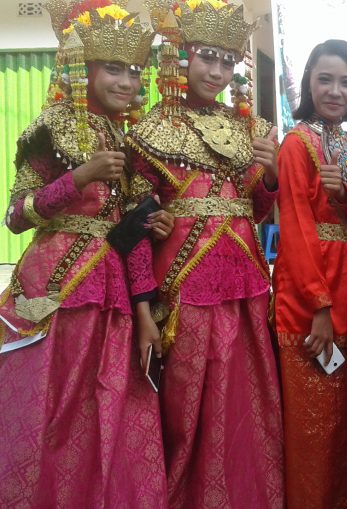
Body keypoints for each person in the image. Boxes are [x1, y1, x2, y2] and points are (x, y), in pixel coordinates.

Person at [0, 1, 170, 506]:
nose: (127, 82)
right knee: (51, 410)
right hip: (53, 289)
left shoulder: (128, 140)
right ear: (83, 67)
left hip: (113, 292)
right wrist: (79, 177)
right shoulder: (49, 127)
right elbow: (16, 215)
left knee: (108, 408)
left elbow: (128, 235)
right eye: (114, 68)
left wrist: (145, 311)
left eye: (134, 71)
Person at [125, 1, 283, 507]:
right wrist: (142, 302)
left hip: (245, 280)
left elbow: (255, 207)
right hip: (183, 283)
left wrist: (272, 175)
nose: (216, 72)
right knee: (185, 399)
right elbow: (133, 225)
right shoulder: (149, 130)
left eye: (226, 61)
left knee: (248, 395)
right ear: (181, 57)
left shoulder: (247, 127)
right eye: (206, 57)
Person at [273, 39, 347, 509]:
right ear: (308, 84)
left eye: (346, 82)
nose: (336, 91)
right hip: (309, 298)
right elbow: (296, 227)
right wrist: (318, 304)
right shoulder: (296, 144)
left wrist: (345, 197)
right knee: (314, 433)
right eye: (325, 79)